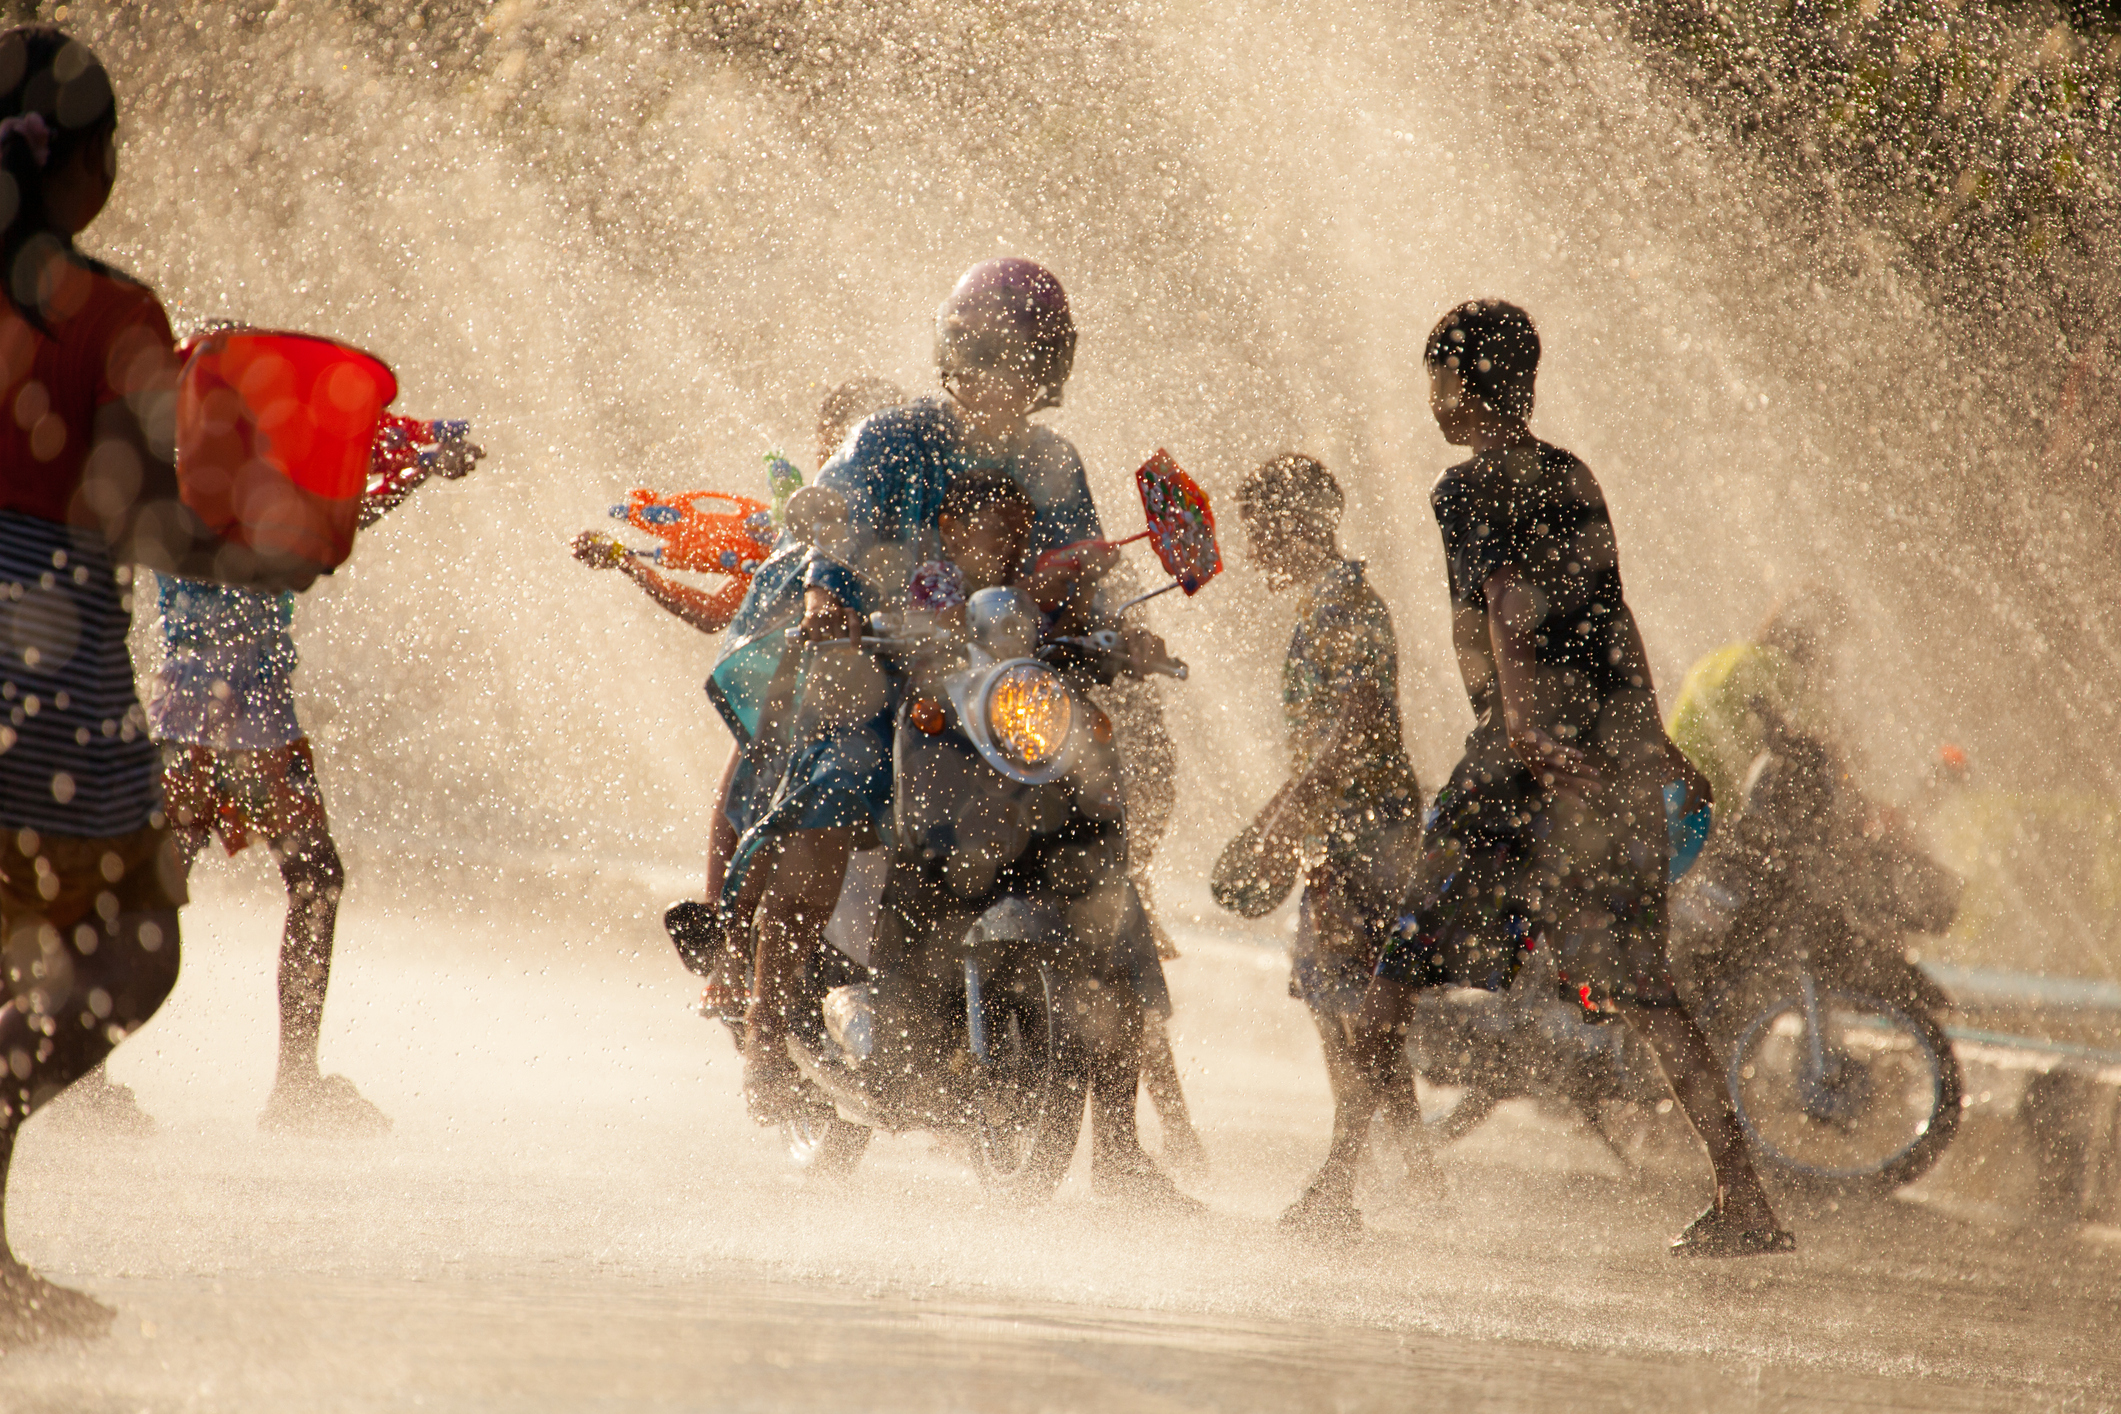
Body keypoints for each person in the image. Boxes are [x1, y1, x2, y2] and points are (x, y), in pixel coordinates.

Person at [1301, 300, 1792, 1257]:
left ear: (1463, 383)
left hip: (1515, 766)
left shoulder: (1464, 486)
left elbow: (1501, 601)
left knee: (1395, 970)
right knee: (1645, 990)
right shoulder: (1573, 475)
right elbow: (1614, 613)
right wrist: (1651, 741)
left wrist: (1522, 726)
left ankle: (1333, 1185)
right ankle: (1744, 1199)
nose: (1431, 397)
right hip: (1604, 763)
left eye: (1437, 377)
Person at [717, 258, 1191, 1205]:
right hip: (889, 675)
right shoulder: (891, 436)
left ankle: (1122, 1153)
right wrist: (825, 603)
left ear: (1051, 367)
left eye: (1024, 358)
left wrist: (1117, 630)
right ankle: (767, 1032)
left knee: (1100, 870)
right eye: (982, 353)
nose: (1001, 375)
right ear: (951, 351)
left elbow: (1079, 566)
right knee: (839, 784)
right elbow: (834, 529)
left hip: (999, 692)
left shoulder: (1056, 462)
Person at [0, 25, 324, 1337]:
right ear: (83, 163)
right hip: (44, 671)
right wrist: (276, 553)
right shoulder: (101, 311)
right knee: (125, 940)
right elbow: (148, 520)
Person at [571, 377, 903, 1015]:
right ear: (828, 450)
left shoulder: (918, 523)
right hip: (807, 701)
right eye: (854, 444)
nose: (870, 461)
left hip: (895, 700)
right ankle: (726, 942)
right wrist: (629, 562)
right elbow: (713, 611)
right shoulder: (793, 530)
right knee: (746, 762)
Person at [1211, 454, 1437, 1226]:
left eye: (1259, 529)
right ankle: (1416, 1178)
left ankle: (1340, 1186)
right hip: (1348, 828)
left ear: (1299, 524)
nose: (1251, 548)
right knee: (1358, 1009)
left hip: (1361, 833)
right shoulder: (1328, 604)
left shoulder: (1343, 608)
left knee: (1349, 1013)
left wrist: (1289, 810)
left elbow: (1356, 722)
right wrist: (1288, 812)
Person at [1666, 583, 1848, 818]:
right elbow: (1835, 763)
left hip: (1669, 803)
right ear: (1816, 643)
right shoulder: (1786, 676)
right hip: (1715, 817)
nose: (1833, 664)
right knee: (1813, 762)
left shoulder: (1718, 660)